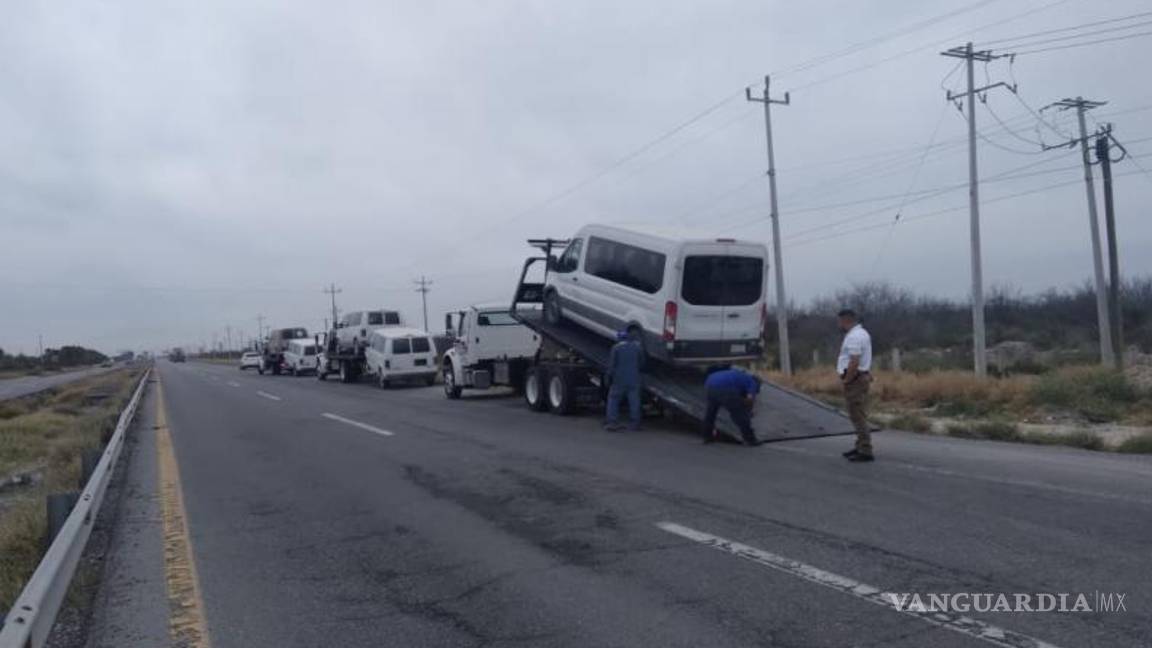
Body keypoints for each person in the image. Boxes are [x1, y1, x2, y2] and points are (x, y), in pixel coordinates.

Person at [836, 308, 874, 462]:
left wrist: (847, 379)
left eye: (840, 321)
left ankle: (865, 449)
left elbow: (854, 360)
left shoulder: (855, 336)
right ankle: (860, 445)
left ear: (846, 320)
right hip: (860, 376)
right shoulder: (861, 333)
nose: (839, 324)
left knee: (857, 415)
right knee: (858, 413)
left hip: (855, 379)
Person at [701, 366, 762, 446]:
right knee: (739, 414)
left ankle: (707, 436)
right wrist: (748, 411)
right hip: (725, 388)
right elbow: (750, 399)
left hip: (709, 384)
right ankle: (750, 439)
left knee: (711, 413)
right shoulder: (752, 382)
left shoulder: (739, 375)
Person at [604, 328, 644, 431]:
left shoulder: (616, 348)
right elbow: (641, 363)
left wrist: (608, 377)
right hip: (634, 379)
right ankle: (635, 424)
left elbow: (612, 365)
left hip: (619, 379)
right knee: (634, 401)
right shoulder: (637, 348)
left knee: (613, 399)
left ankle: (612, 423)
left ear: (619, 338)